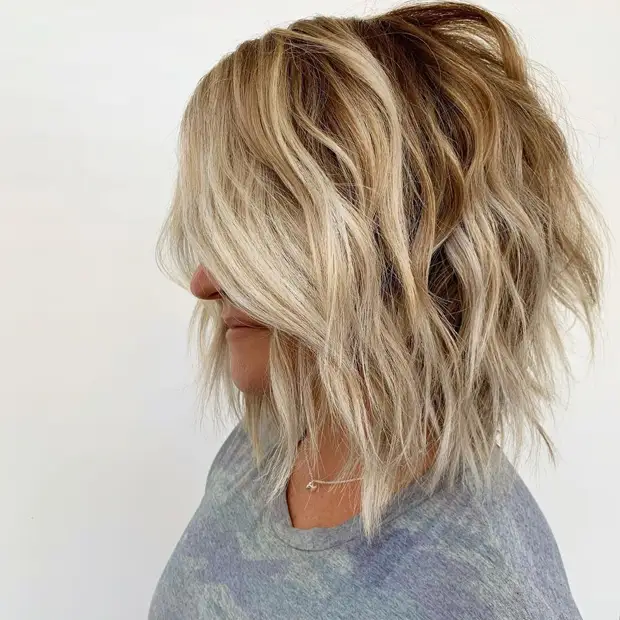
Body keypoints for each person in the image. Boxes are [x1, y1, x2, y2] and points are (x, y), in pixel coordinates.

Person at [149, 2, 607, 618]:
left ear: (392, 245)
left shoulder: (477, 594)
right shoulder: (274, 444)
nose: (203, 283)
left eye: (253, 237)